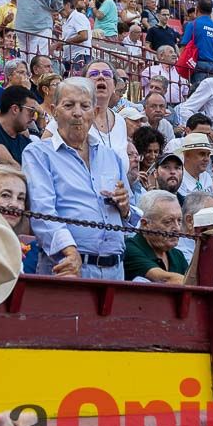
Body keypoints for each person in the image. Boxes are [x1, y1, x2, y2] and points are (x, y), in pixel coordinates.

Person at [22, 77, 131, 279]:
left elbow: (130, 218)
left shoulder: (111, 157)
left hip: (115, 270)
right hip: (67, 268)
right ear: (54, 111)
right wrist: (69, 251)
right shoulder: (38, 153)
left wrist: (125, 209)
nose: (77, 113)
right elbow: (42, 211)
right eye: (69, 105)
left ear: (95, 112)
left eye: (85, 106)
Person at [124, 190, 196, 283]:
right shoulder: (130, 248)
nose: (177, 228)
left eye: (179, 221)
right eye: (168, 222)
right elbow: (165, 279)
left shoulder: (177, 255)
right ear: (145, 224)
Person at [0, 85, 35, 168]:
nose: (33, 118)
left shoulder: (26, 142)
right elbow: (9, 164)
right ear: (15, 109)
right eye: (31, 111)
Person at [182, 0, 213, 85]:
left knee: (198, 96)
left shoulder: (193, 24)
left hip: (199, 66)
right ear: (211, 11)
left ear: (197, 9)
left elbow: (183, 47)